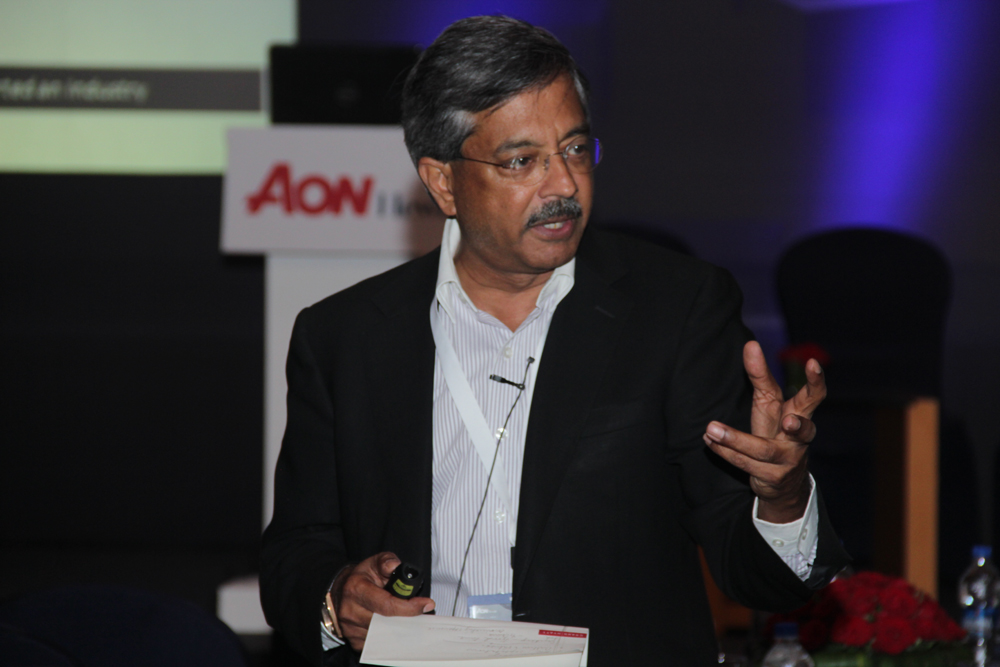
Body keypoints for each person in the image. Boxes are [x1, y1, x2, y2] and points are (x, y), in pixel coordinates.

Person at [260, 15, 849, 667]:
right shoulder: (343, 336)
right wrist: (336, 599)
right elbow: (297, 550)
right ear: (443, 181)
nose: (564, 184)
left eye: (574, 148)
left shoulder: (677, 309)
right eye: (522, 161)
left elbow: (755, 572)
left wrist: (783, 496)